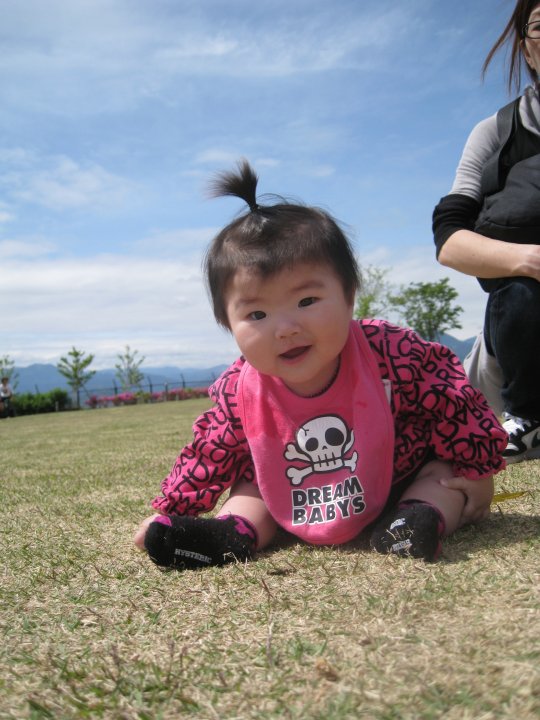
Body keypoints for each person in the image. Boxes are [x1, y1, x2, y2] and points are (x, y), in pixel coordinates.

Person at [134, 160, 506, 571]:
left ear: (349, 297)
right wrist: (170, 507)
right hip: (291, 492)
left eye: (306, 301)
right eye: (257, 315)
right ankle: (231, 532)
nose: (286, 329)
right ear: (228, 324)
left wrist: (477, 469)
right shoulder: (240, 388)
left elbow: (451, 399)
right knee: (251, 485)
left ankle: (418, 519)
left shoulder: (391, 351)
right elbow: (209, 452)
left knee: (443, 477)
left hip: (399, 481)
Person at [433, 0, 540, 464]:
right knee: (520, 293)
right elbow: (450, 241)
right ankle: (529, 419)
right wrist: (529, 260)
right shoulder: (496, 132)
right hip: (522, 332)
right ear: (528, 50)